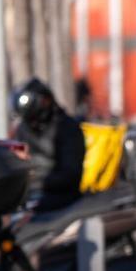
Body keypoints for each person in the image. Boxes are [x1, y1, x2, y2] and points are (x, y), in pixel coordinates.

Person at [11, 77, 86, 213]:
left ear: (46, 101)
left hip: (61, 197)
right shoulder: (23, 129)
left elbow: (71, 173)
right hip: (30, 194)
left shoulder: (66, 127)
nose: (31, 123)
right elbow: (16, 158)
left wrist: (37, 182)